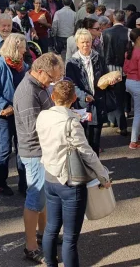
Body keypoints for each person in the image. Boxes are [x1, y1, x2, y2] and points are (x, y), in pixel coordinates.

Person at [36, 80, 111, 267]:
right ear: (74, 98)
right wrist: (103, 176)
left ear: (53, 96)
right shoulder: (71, 122)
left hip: (50, 177)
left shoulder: (43, 116)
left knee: (51, 228)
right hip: (70, 181)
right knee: (70, 238)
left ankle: (51, 264)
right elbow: (87, 153)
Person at [13, 53, 64, 263]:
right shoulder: (27, 92)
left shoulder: (38, 86)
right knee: (34, 199)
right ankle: (31, 246)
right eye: (51, 78)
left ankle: (44, 235)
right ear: (40, 71)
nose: (53, 83)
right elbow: (33, 129)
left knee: (42, 196)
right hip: (34, 153)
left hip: (42, 151)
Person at [0, 33, 29, 196]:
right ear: (16, 47)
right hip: (3, 113)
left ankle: (23, 184)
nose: (25, 49)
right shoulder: (0, 64)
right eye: (23, 46)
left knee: (22, 148)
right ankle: (0, 183)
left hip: (19, 112)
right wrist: (5, 104)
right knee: (5, 150)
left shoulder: (22, 64)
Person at [66, 29, 109, 155]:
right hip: (82, 106)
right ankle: (84, 170)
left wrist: (109, 82)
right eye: (83, 42)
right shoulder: (72, 62)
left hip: (98, 103)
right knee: (82, 139)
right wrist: (84, 96)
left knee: (95, 140)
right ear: (77, 44)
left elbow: (105, 76)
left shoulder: (99, 58)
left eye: (88, 41)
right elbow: (71, 84)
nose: (86, 45)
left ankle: (95, 169)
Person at [103, 10, 129, 136]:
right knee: (120, 97)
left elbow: (102, 50)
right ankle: (121, 124)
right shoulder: (128, 32)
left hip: (108, 68)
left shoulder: (105, 33)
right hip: (123, 69)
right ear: (124, 19)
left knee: (109, 94)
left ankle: (112, 120)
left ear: (113, 18)